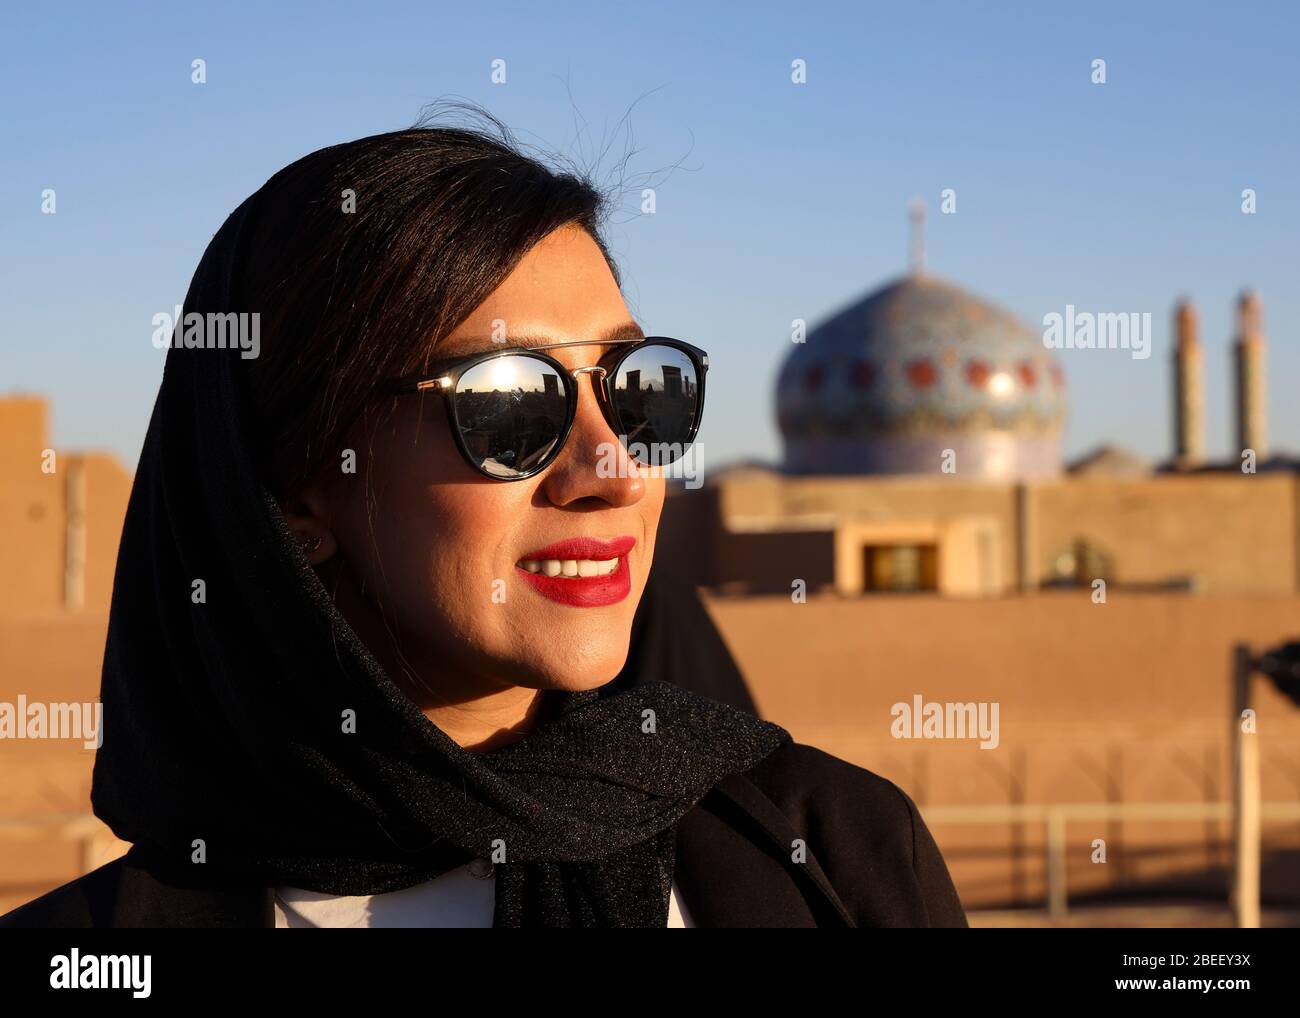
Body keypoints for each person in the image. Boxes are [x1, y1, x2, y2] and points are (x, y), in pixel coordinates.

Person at [1, 103, 967, 929]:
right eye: (509, 405)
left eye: (640, 391)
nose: (614, 468)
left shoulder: (830, 859)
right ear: (298, 494)